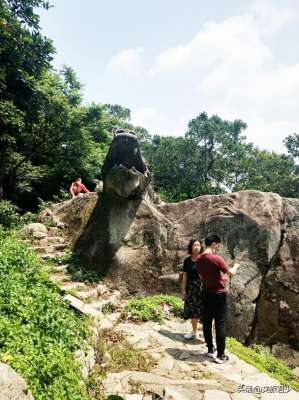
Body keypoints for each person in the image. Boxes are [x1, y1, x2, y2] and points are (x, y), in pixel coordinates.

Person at [196, 234, 240, 363]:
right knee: (220, 323)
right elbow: (230, 273)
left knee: (207, 322)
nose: (217, 247)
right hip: (219, 294)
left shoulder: (198, 259)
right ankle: (221, 355)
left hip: (206, 293)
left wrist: (220, 279)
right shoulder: (216, 258)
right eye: (217, 245)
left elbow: (203, 276)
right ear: (214, 243)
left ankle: (210, 349)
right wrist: (236, 266)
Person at [181, 239, 204, 340]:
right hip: (191, 288)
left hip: (202, 288)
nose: (196, 247)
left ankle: (205, 332)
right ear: (191, 247)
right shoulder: (187, 261)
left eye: (198, 245)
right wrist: (183, 289)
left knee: (205, 310)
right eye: (194, 245)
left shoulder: (204, 260)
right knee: (192, 310)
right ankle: (194, 331)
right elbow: (185, 276)